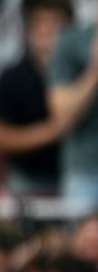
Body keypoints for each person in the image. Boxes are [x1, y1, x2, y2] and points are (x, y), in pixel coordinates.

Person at [0, 0, 74, 196]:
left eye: (57, 25)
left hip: (78, 175)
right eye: (41, 24)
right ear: (29, 30)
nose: (48, 32)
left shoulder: (82, 74)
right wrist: (52, 131)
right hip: (27, 178)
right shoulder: (13, 77)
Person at [47, 18, 98, 210]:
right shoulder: (72, 41)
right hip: (86, 175)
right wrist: (94, 71)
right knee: (81, 239)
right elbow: (62, 115)